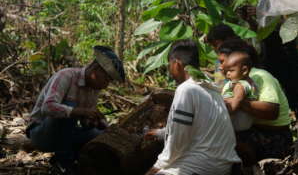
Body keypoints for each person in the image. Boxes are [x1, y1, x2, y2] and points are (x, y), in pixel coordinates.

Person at [145, 40, 240, 175]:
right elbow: (196, 126)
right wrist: (161, 133)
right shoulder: (210, 87)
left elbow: (178, 141)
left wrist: (156, 167)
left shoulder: (186, 89)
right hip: (221, 165)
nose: (170, 71)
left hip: (203, 166)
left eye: (169, 65)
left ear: (176, 64)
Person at [26, 46, 125, 174]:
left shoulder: (93, 90)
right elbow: (48, 107)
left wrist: (96, 122)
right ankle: (63, 163)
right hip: (41, 133)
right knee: (69, 109)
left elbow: (84, 122)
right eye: (106, 79)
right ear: (95, 70)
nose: (106, 85)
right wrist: (81, 112)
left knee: (99, 135)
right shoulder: (66, 75)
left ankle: (76, 161)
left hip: (67, 134)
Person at [218, 39, 292, 167]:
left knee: (229, 140)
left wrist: (238, 101)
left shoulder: (260, 76)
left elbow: (272, 111)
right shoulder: (232, 81)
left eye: (222, 62)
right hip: (252, 130)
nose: (220, 66)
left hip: (274, 136)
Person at [222, 52, 258, 131]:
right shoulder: (249, 83)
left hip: (237, 126)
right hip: (243, 125)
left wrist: (219, 112)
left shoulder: (241, 85)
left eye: (231, 70)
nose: (227, 74)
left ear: (244, 70)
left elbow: (233, 107)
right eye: (227, 71)